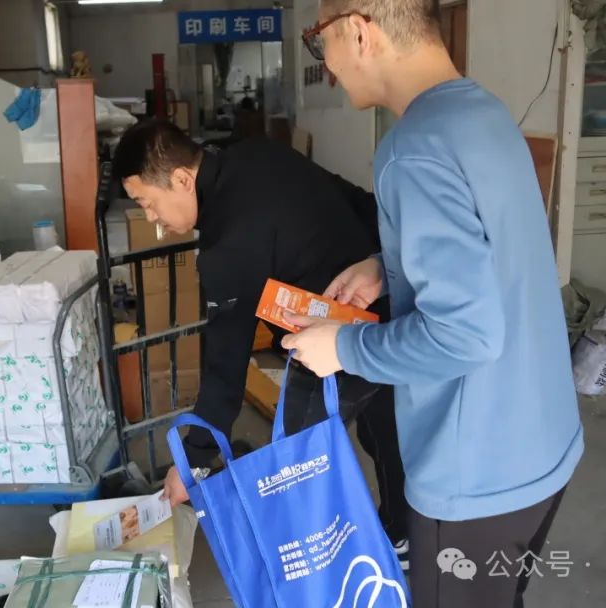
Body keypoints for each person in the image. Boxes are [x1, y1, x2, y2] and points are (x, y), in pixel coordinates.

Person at [282, 2, 584, 607]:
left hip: (476, 475)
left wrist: (342, 347)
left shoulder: (412, 149)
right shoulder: (483, 112)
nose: (327, 63)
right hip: (542, 440)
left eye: (320, 40)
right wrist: (387, 266)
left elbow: (464, 335)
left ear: (360, 32)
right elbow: (494, 253)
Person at [111, 119, 412, 566]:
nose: (152, 218)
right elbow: (354, 199)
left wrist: (192, 460)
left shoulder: (227, 244)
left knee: (294, 465)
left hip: (331, 342)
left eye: (148, 203)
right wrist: (386, 264)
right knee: (385, 431)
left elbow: (225, 365)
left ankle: (315, 568)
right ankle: (404, 536)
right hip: (387, 310)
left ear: (182, 179)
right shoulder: (259, 153)